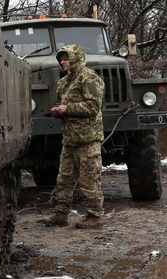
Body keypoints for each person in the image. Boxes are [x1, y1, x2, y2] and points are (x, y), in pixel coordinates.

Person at [40, 44, 106, 229]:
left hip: (88, 138)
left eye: (66, 58)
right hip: (70, 139)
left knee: (89, 179)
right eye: (60, 59)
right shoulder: (64, 82)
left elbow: (93, 107)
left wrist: (67, 108)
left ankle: (95, 216)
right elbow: (64, 104)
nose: (62, 62)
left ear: (76, 58)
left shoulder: (89, 78)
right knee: (64, 179)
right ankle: (60, 215)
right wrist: (58, 110)